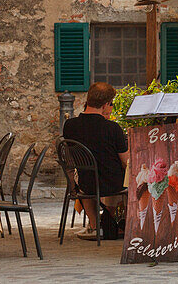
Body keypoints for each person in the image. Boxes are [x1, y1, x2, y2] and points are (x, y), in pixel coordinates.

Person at [62, 81, 129, 240]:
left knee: (87, 175)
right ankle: (119, 221)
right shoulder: (113, 128)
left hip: (85, 183)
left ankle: (95, 225)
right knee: (132, 176)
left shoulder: (69, 126)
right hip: (113, 184)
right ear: (106, 105)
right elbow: (127, 162)